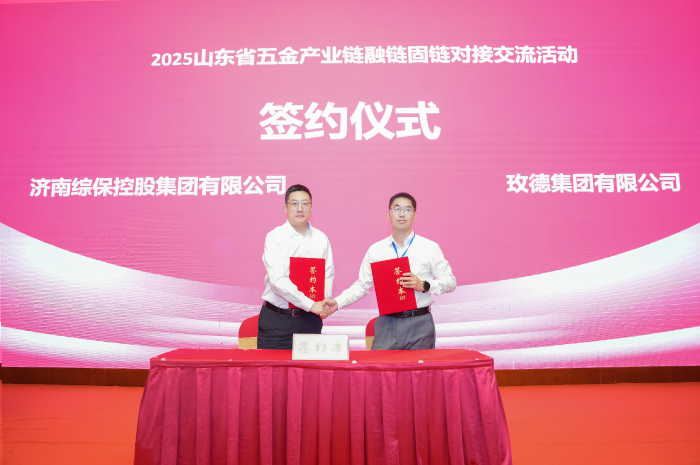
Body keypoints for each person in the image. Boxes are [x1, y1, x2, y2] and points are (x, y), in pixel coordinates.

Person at [323, 192, 456, 350]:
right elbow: (361, 286)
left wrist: (424, 285)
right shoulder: (376, 250)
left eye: (407, 209)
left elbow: (450, 281)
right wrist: (338, 302)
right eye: (397, 208)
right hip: (387, 323)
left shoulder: (429, 247)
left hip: (419, 323)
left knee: (419, 367)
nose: (401, 214)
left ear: (415, 215)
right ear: (388, 214)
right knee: (380, 366)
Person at [258, 184, 334, 349]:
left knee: (309, 366)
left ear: (311, 207)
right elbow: (278, 282)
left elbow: (327, 275)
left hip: (310, 320)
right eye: (294, 204)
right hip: (277, 321)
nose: (300, 208)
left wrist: (322, 302)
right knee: (272, 367)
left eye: (305, 204)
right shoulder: (274, 237)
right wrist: (311, 305)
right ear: (286, 207)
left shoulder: (321, 239)